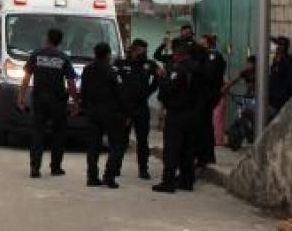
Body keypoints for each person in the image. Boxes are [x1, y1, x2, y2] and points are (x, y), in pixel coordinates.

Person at [16, 28, 78, 178]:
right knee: (58, 134)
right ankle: (56, 167)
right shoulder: (63, 58)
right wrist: (75, 101)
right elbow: (70, 82)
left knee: (38, 133)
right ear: (60, 41)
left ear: (47, 38)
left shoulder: (36, 55)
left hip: (39, 100)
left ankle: (35, 168)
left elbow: (26, 78)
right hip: (58, 102)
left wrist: (21, 97)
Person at [153, 41, 201, 193]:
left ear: (178, 55)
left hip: (177, 113)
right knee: (187, 149)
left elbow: (168, 89)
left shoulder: (178, 69)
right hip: (193, 113)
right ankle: (187, 181)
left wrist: (161, 77)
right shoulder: (197, 68)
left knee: (172, 149)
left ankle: (168, 182)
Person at [80, 42, 127, 189]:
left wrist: (85, 107)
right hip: (110, 113)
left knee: (93, 145)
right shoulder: (112, 72)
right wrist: (124, 113)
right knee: (116, 145)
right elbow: (119, 94)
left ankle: (92, 177)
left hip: (92, 111)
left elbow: (84, 91)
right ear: (107, 55)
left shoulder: (87, 69)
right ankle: (109, 176)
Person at [115, 38, 159, 179]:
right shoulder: (121, 63)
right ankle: (115, 167)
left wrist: (149, 92)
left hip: (141, 108)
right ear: (134, 49)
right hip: (125, 108)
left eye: (145, 50)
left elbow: (158, 78)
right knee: (121, 139)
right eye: (141, 50)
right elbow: (114, 80)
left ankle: (143, 169)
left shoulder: (149, 64)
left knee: (142, 140)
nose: (144, 53)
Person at [197, 33, 226, 167]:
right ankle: (205, 155)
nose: (199, 43)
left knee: (205, 126)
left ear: (207, 43)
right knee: (204, 125)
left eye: (201, 41)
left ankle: (207, 156)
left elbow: (209, 75)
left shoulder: (212, 56)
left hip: (207, 95)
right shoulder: (205, 56)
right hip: (205, 95)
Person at [270, 36, 292, 117]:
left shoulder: (287, 61)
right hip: (272, 100)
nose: (276, 47)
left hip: (280, 102)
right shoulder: (276, 60)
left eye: (279, 45)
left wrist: (283, 96)